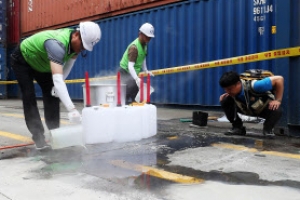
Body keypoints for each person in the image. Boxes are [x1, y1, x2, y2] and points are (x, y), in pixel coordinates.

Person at [10, 21, 101, 150]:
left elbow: (67, 67)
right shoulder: (56, 45)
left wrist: (56, 88)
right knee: (29, 96)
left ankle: (55, 134)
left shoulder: (75, 47)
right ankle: (39, 138)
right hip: (23, 60)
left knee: (53, 96)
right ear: (76, 35)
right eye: (82, 46)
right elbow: (58, 80)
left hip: (43, 65)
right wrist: (72, 109)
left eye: (84, 48)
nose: (81, 50)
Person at [219, 71, 284, 138]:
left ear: (238, 83)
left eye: (230, 89)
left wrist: (278, 100)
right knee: (224, 100)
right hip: (248, 109)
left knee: (277, 109)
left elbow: (279, 79)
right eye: (225, 90)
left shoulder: (256, 85)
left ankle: (268, 130)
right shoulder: (232, 93)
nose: (227, 92)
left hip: (262, 109)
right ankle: (238, 128)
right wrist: (230, 93)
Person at [118, 22, 155, 104]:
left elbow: (143, 57)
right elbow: (130, 66)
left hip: (132, 73)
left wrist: (146, 70)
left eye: (150, 38)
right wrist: (136, 79)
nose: (149, 39)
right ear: (141, 34)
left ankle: (133, 108)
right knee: (127, 93)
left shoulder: (144, 45)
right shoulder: (134, 47)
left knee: (135, 94)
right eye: (147, 37)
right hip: (125, 72)